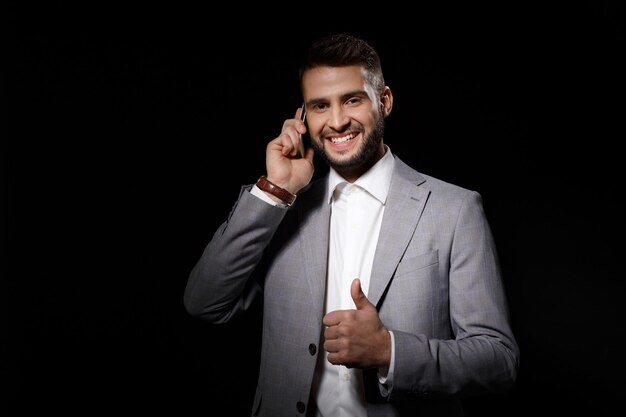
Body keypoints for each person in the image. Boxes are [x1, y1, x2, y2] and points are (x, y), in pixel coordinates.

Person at [184, 33, 519, 417]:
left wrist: (388, 352)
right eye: (320, 106)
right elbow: (205, 302)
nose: (338, 121)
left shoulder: (455, 210)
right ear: (304, 119)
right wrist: (276, 190)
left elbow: (499, 360)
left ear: (385, 101)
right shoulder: (282, 207)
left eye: (352, 100)